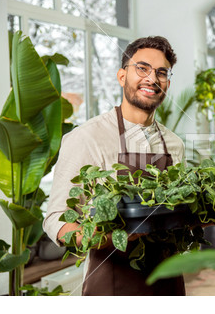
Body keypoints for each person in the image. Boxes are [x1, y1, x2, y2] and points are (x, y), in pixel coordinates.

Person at [43, 36, 186, 296]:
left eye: (162, 73)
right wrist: (110, 237)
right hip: (112, 284)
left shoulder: (174, 144)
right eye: (142, 68)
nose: (152, 79)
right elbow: (56, 220)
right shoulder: (87, 137)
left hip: (169, 282)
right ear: (122, 76)